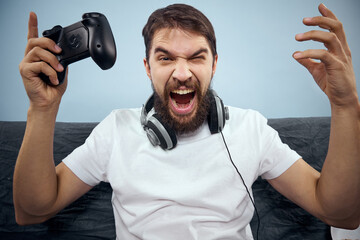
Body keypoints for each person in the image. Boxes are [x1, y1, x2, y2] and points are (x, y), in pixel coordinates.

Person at [14, 3, 360, 239]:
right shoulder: (115, 131)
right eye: (165, 58)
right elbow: (31, 211)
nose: (182, 73)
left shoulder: (251, 129)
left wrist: (344, 106)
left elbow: (341, 215)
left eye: (197, 57)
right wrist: (42, 111)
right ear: (148, 67)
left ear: (214, 64)